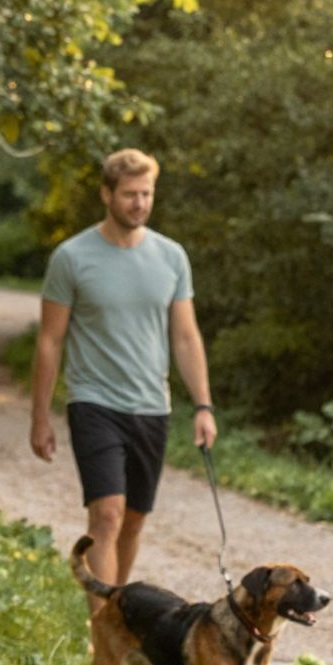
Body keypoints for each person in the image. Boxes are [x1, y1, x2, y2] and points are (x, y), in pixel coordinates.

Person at [29, 147, 216, 588]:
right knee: (107, 515)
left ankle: (119, 618)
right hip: (94, 402)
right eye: (130, 194)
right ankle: (105, 633)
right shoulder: (72, 257)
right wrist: (40, 417)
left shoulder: (172, 257)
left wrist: (203, 405)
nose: (140, 203)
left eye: (147, 194)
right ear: (106, 194)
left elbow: (186, 337)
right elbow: (50, 340)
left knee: (132, 521)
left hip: (152, 406)